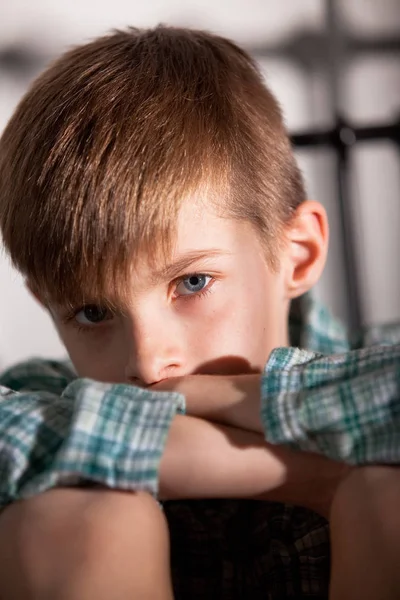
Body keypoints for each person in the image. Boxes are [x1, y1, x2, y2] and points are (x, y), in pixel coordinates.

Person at [0, 26, 399, 600]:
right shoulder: (44, 392)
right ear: (47, 304)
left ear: (298, 254)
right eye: (92, 312)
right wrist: (292, 469)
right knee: (74, 521)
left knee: (384, 497)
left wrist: (263, 399)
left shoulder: (377, 359)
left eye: (192, 282)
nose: (148, 362)